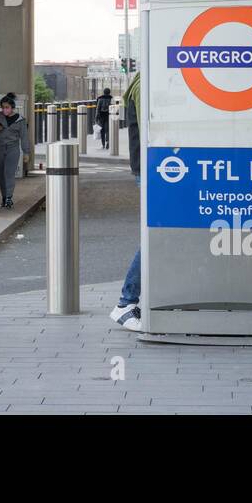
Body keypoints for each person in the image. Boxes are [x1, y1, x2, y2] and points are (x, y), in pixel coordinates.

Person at [110, 71, 143, 332]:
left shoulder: (139, 84)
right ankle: (126, 302)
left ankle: (131, 301)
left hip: (149, 168)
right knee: (156, 236)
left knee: (156, 234)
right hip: (152, 169)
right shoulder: (144, 86)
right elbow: (153, 131)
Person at [0, 93, 29, 209]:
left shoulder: (21, 120)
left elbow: (24, 137)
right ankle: (4, 197)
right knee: (2, 174)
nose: (4, 110)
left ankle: (9, 198)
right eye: (3, 107)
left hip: (13, 149)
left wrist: (26, 152)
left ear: (12, 107)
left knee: (9, 174)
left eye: (7, 107)